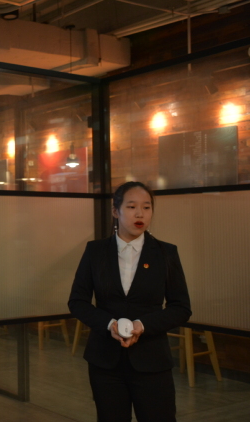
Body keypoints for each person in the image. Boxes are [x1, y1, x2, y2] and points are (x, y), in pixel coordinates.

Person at [68, 181, 191, 422]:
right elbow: (77, 301)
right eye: (132, 206)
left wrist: (142, 325)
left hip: (152, 361)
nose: (140, 214)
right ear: (116, 211)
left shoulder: (166, 253)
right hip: (105, 363)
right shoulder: (95, 251)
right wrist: (110, 324)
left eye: (146, 207)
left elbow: (181, 307)